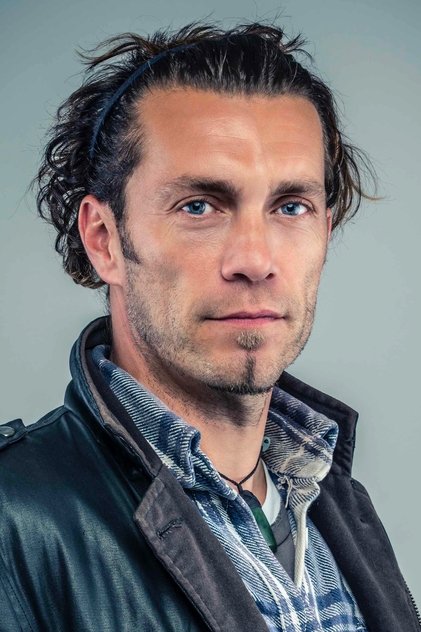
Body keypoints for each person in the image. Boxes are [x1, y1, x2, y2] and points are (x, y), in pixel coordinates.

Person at [0, 21, 419, 632]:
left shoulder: (333, 501)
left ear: (325, 233)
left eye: (291, 207)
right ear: (105, 239)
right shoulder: (14, 519)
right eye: (199, 206)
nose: (256, 260)